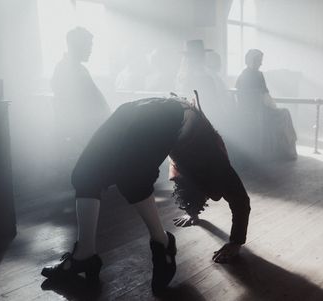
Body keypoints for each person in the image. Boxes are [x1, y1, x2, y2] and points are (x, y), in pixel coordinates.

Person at [41, 96, 251, 295]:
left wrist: (235, 242)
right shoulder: (208, 157)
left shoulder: (212, 163)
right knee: (85, 173)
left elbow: (240, 199)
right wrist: (194, 213)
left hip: (150, 109)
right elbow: (206, 192)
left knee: (125, 177)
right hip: (156, 111)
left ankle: (160, 244)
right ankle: (84, 254)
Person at [51, 27, 111, 155]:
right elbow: (91, 102)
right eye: (88, 46)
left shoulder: (70, 67)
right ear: (78, 46)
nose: (90, 51)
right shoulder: (74, 70)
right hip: (80, 135)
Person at [235, 49, 297, 161]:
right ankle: (285, 150)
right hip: (259, 110)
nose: (261, 63)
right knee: (285, 113)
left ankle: (282, 149)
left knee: (283, 112)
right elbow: (264, 94)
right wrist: (273, 106)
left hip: (250, 109)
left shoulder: (242, 74)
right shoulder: (257, 75)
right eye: (259, 60)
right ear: (251, 60)